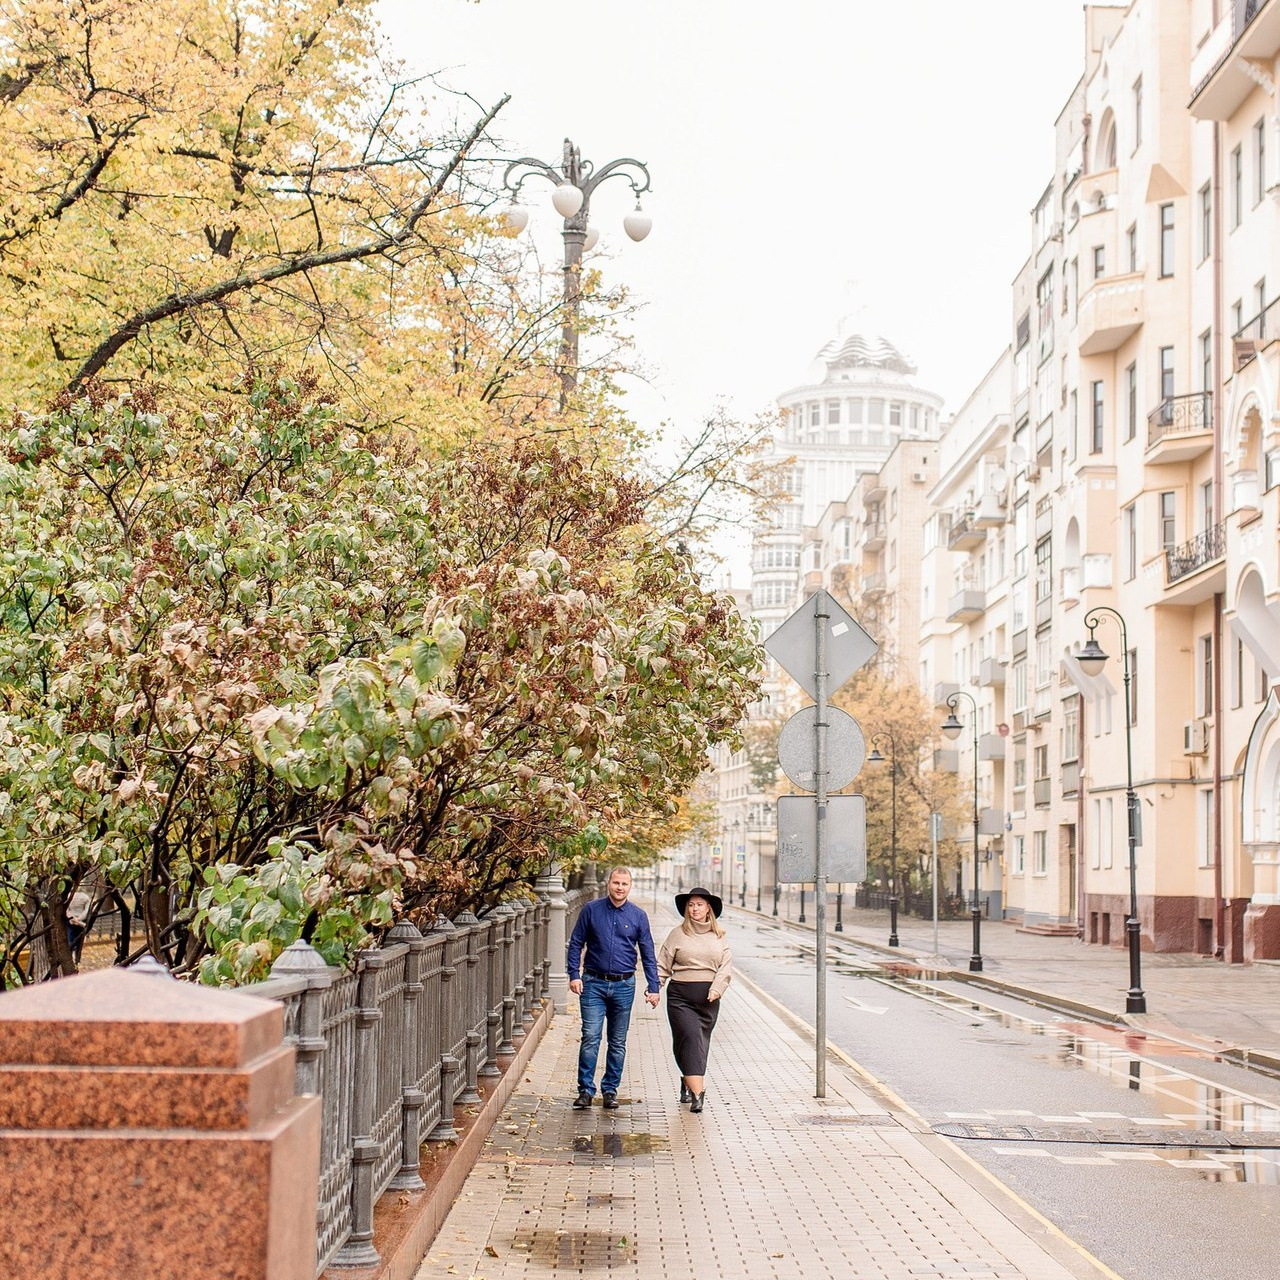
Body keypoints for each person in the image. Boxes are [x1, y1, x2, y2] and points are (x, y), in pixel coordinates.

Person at [566, 866, 660, 1110]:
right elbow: (576, 943)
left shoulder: (638, 916)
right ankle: (585, 1091)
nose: (620, 887)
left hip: (624, 986)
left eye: (624, 884)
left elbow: (648, 953)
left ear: (630, 887)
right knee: (590, 1037)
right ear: (609, 883)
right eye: (616, 883)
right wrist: (574, 975)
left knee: (617, 1042)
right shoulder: (591, 910)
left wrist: (654, 986)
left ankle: (610, 1090)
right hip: (593, 984)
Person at [658, 886, 731, 1114]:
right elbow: (663, 964)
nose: (695, 909)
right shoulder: (677, 934)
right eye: (691, 905)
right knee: (689, 1038)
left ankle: (687, 1080)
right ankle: (698, 1095)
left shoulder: (719, 937)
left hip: (708, 1000)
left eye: (699, 904)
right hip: (680, 996)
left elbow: (725, 968)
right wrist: (654, 988)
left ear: (708, 908)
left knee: (698, 1044)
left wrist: (717, 988)